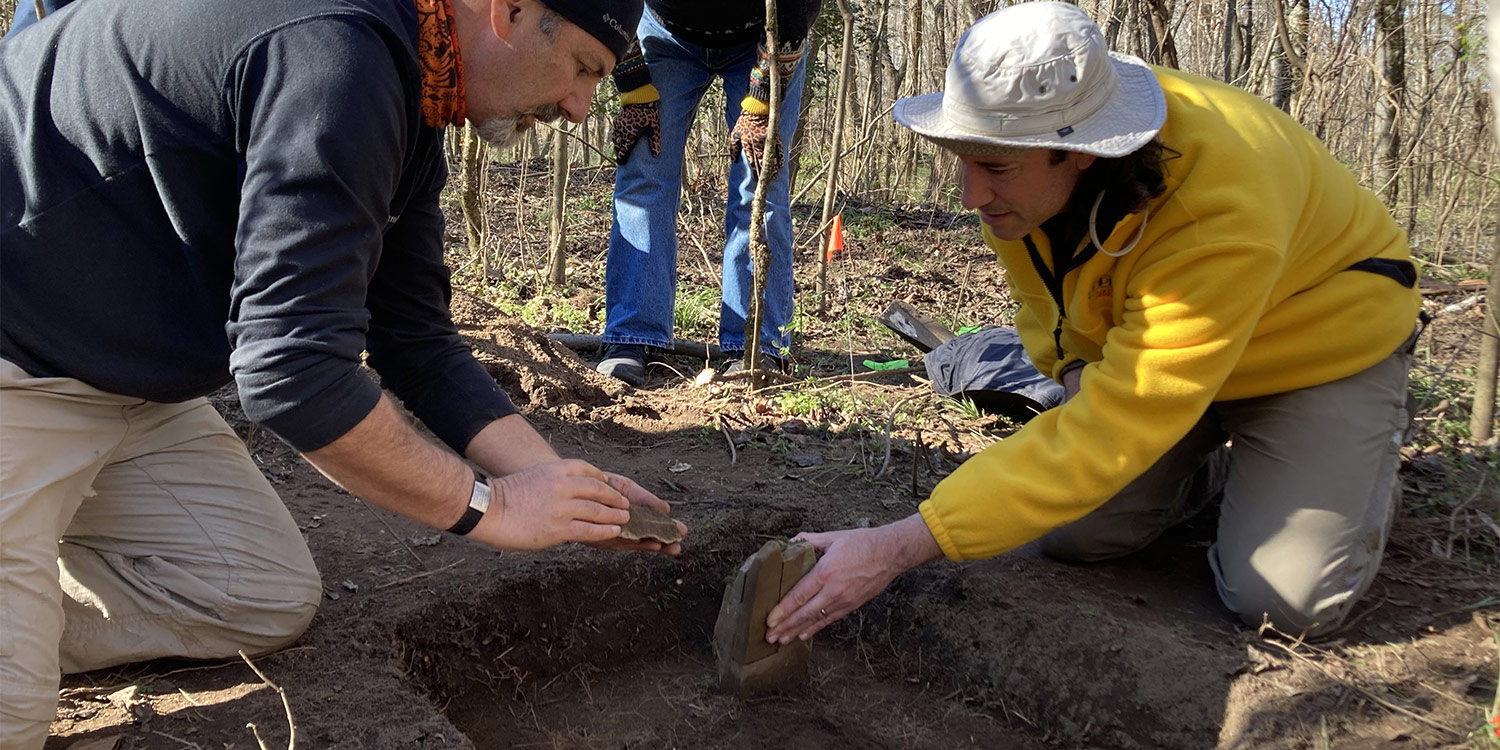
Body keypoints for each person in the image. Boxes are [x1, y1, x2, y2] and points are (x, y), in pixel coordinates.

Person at [0, 0, 689, 746]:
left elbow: (414, 336)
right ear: (510, 10)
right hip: (18, 351)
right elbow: (292, 371)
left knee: (256, 595)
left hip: (119, 376)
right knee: (13, 717)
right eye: (584, 68)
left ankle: (24, 613)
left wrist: (559, 486)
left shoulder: (406, 77)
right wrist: (489, 506)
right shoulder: (336, 55)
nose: (581, 107)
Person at [764, 2, 1422, 646]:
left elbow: (1121, 419)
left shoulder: (1217, 209)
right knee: (1077, 532)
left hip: (1317, 350)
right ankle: (1227, 474)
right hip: (1171, 367)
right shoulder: (1023, 189)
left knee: (1283, 601)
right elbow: (1049, 309)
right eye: (963, 161)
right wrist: (1076, 372)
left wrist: (898, 545)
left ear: (1077, 152)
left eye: (994, 167)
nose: (971, 195)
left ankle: (1347, 481)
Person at [593, 0, 824, 386]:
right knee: (644, 166)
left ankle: (755, 347)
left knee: (759, 177)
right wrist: (633, 84)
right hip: (664, 32)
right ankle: (631, 335)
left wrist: (762, 97)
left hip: (763, 33)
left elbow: (794, 8)